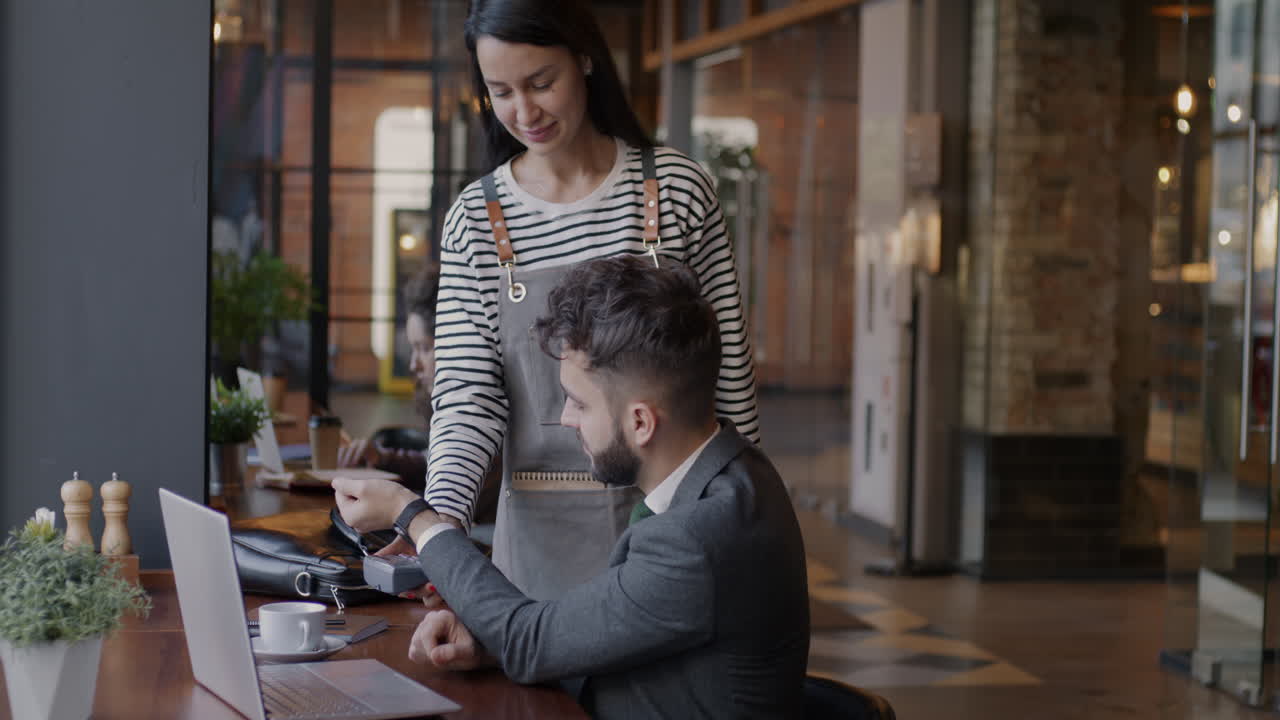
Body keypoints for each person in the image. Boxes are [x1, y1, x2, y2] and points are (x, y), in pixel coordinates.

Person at [334, 256, 808, 719]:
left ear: (640, 421)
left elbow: (528, 640)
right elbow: (600, 639)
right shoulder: (742, 472)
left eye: (579, 403)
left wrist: (413, 515)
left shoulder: (699, 537)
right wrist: (493, 645)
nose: (563, 419)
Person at [406, 0, 762, 603]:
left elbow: (728, 379)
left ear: (587, 60)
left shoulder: (676, 191)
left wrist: (753, 519)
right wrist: (442, 528)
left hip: (675, 532)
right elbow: (468, 396)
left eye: (542, 82)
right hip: (537, 557)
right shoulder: (475, 217)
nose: (525, 111)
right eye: (502, 92)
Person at [336, 264, 499, 521]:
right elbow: (434, 462)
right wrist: (381, 458)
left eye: (423, 347)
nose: (414, 364)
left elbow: (456, 496)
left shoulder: (483, 415)